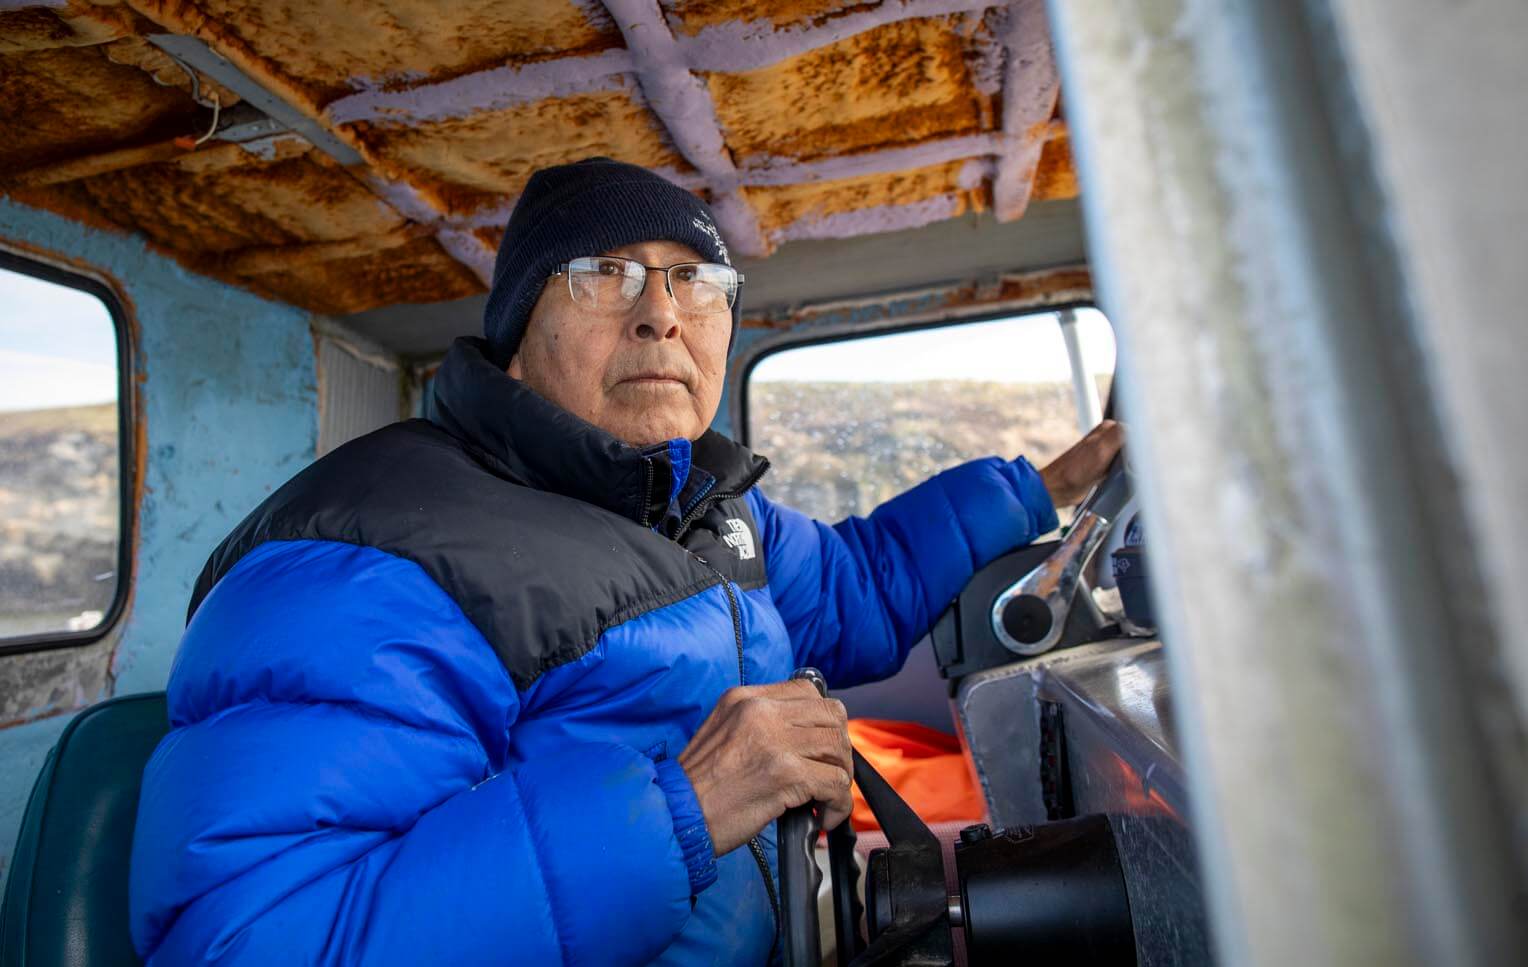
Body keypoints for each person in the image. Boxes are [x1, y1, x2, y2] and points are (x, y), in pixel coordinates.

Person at [127, 158, 1122, 966]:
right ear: (519, 332)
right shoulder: (365, 558)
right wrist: (683, 810)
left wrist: (1041, 487)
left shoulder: (705, 510)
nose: (661, 313)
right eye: (603, 274)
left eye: (695, 278)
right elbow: (250, 939)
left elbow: (857, 587)